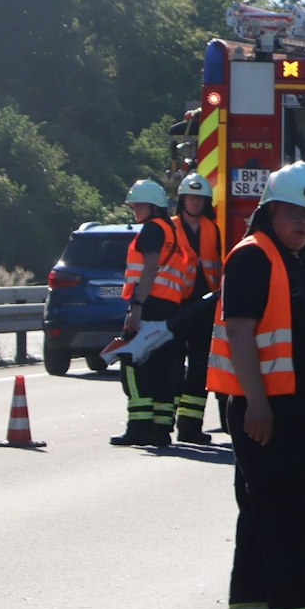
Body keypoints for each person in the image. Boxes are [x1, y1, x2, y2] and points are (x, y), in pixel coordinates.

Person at [209, 162, 305, 609]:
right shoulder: (255, 258)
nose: (304, 224)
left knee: (264, 516)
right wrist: (257, 405)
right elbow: (240, 332)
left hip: (291, 410)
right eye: (295, 213)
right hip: (271, 411)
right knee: (292, 520)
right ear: (270, 211)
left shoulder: (289, 260)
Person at [110, 179, 193, 447]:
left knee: (132, 364)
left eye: (137, 205)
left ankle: (138, 427)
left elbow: (148, 270)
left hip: (149, 306)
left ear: (152, 206)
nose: (134, 209)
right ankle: (161, 430)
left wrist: (136, 307)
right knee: (165, 371)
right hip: (171, 310)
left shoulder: (151, 231)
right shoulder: (174, 232)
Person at [169, 173, 223, 444]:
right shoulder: (171, 227)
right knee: (174, 366)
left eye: (199, 199)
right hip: (177, 305)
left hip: (205, 305)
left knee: (200, 367)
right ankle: (166, 424)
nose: (194, 202)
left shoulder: (212, 229)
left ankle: (190, 427)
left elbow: (218, 264)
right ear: (182, 200)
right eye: (190, 198)